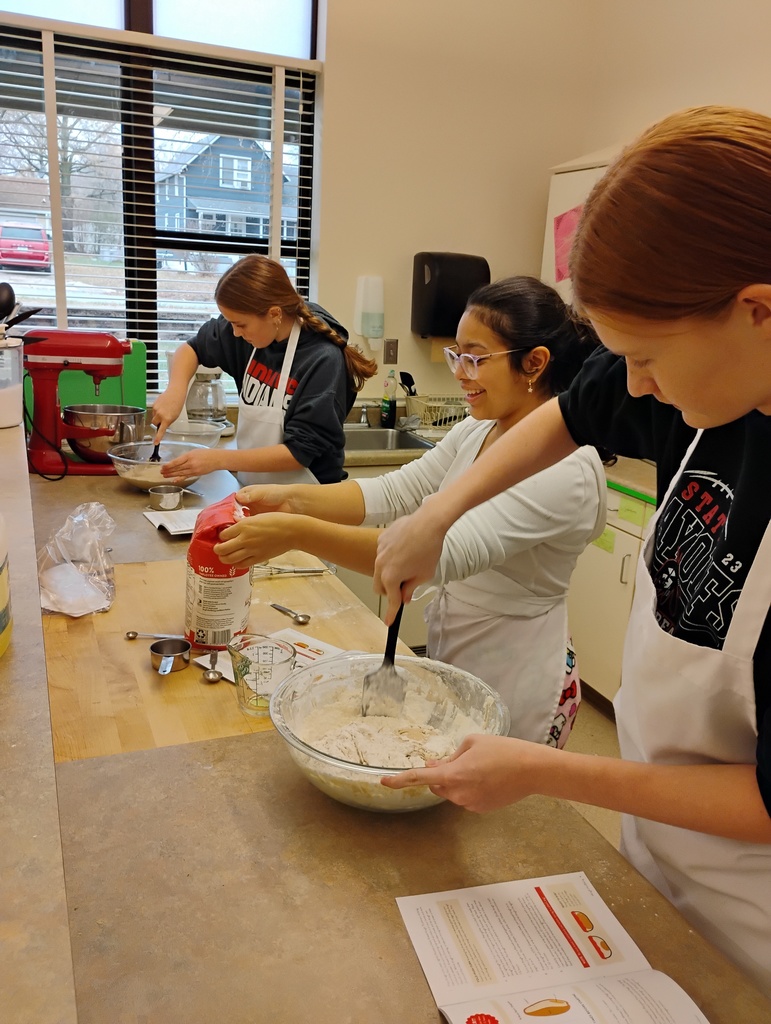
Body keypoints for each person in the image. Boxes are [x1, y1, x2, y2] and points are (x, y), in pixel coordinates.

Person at [373, 106, 771, 996]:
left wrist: (548, 770)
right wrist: (438, 513)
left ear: (757, 311)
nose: (633, 385)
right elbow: (573, 409)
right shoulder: (709, 381)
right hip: (661, 853)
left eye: (645, 356)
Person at [214, 276, 608, 748]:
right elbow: (395, 491)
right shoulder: (478, 430)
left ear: (534, 362)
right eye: (456, 355)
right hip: (459, 648)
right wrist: (290, 498)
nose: (460, 372)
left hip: (517, 672)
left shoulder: (567, 469)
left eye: (475, 357)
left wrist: (296, 531)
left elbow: (439, 554)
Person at [151, 254, 377, 485]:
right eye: (231, 323)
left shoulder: (323, 360)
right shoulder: (248, 334)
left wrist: (219, 459)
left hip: (310, 500)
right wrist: (175, 391)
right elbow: (192, 348)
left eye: (241, 325)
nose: (235, 333)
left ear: (274, 314)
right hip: (256, 491)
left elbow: (298, 454)